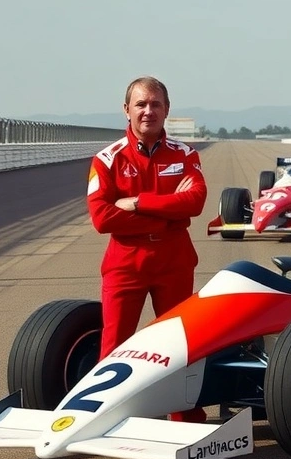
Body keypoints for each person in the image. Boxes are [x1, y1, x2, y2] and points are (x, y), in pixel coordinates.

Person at [87, 76, 207, 365]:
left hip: (174, 261)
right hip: (126, 263)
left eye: (156, 104)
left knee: (179, 346)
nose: (148, 111)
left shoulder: (186, 154)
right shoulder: (106, 160)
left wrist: (140, 203)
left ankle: (185, 413)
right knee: (114, 346)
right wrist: (166, 219)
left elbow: (196, 201)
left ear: (167, 109)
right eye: (141, 104)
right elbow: (102, 217)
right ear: (126, 109)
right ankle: (109, 412)